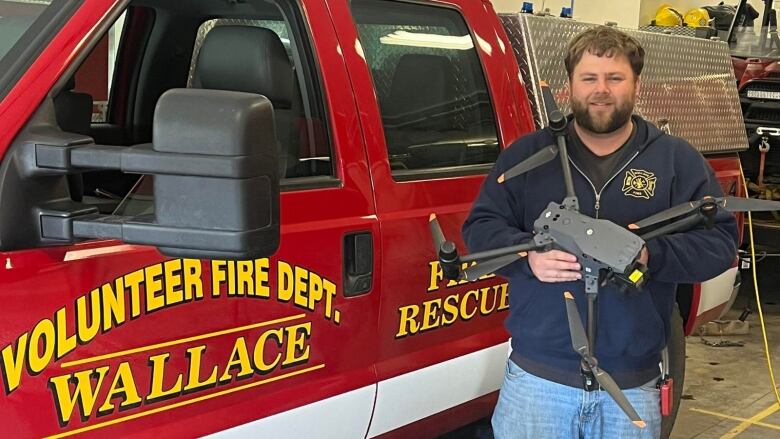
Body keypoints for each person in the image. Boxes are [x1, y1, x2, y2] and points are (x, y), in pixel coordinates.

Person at [462, 26, 738, 438]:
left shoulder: (676, 160)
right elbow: (480, 229)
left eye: (615, 78)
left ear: (636, 85)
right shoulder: (527, 157)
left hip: (632, 383)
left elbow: (719, 243)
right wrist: (528, 260)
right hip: (539, 383)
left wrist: (648, 255)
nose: (601, 90)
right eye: (589, 78)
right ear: (568, 86)